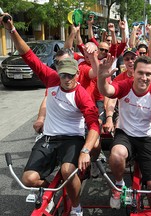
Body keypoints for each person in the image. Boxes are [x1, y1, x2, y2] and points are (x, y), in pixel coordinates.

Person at [0, 13, 100, 216]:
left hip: (72, 139)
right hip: (48, 139)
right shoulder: (51, 79)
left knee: (66, 171)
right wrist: (11, 29)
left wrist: (86, 150)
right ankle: (52, 190)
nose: (66, 78)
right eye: (63, 73)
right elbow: (28, 55)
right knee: (28, 179)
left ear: (77, 73)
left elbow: (94, 126)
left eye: (71, 74)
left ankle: (77, 207)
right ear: (58, 72)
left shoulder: (82, 95)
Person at [97, 54, 151, 209]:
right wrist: (101, 78)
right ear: (133, 73)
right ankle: (119, 185)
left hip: (149, 138)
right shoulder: (125, 85)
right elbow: (108, 91)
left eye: (148, 74)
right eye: (140, 73)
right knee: (116, 155)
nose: (144, 77)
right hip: (125, 134)